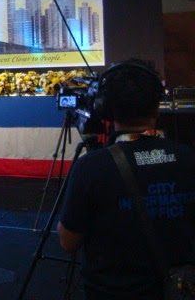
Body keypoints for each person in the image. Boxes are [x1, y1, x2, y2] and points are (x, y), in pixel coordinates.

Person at [57, 59, 195, 299]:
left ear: (105, 109)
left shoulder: (91, 167)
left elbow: (68, 242)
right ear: (157, 105)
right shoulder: (188, 157)